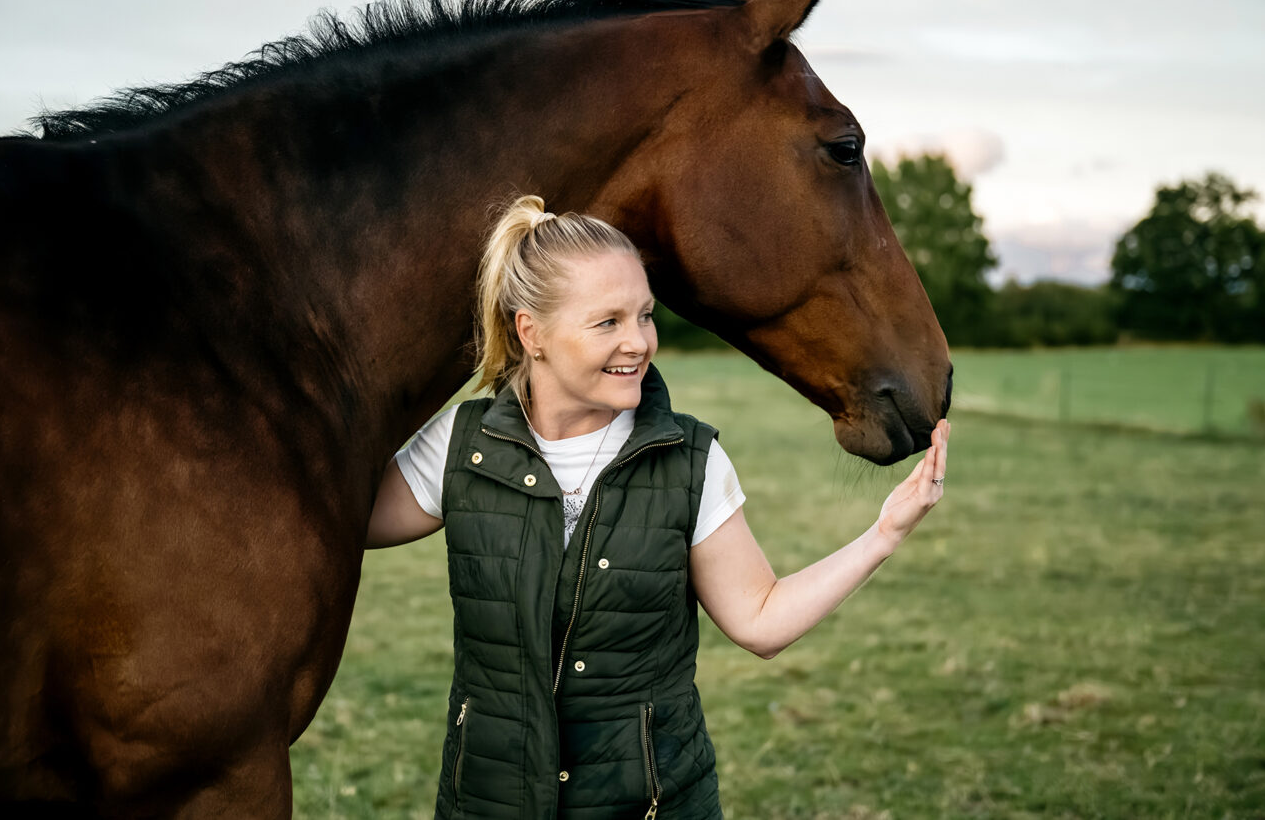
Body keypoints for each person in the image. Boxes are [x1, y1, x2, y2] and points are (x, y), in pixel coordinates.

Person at [366, 195, 950, 820]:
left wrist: (883, 535)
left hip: (652, 806)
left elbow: (760, 620)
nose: (639, 342)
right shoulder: (462, 445)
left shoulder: (689, 459)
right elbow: (331, 524)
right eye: (607, 322)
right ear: (530, 332)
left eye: (644, 315)